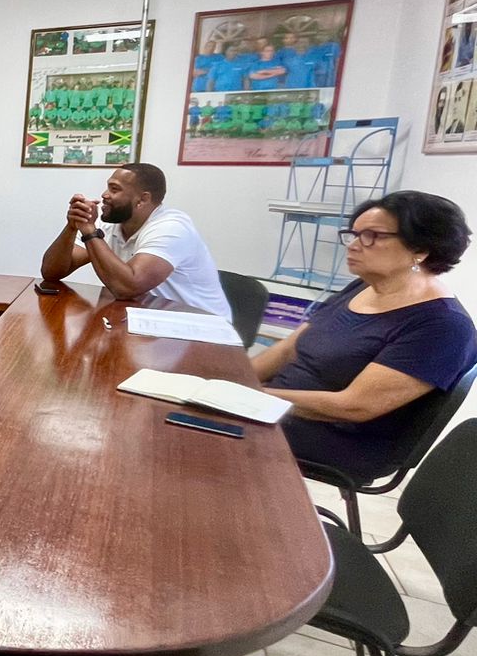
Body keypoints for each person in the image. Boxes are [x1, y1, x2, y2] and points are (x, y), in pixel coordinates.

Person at [255, 192, 476, 480]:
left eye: (372, 236)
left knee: (201, 423)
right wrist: (235, 380)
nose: (355, 245)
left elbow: (355, 407)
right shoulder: (362, 287)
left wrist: (254, 397)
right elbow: (289, 349)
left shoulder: (442, 326)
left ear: (420, 249)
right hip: (286, 410)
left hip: (342, 438)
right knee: (190, 404)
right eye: (354, 234)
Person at [39, 162, 232, 319]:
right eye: (107, 187)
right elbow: (52, 272)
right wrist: (72, 226)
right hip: (148, 322)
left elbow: (127, 288)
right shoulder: (110, 223)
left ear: (142, 199)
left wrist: (89, 230)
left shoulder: (172, 227)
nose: (104, 195)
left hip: (200, 330)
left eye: (114, 189)